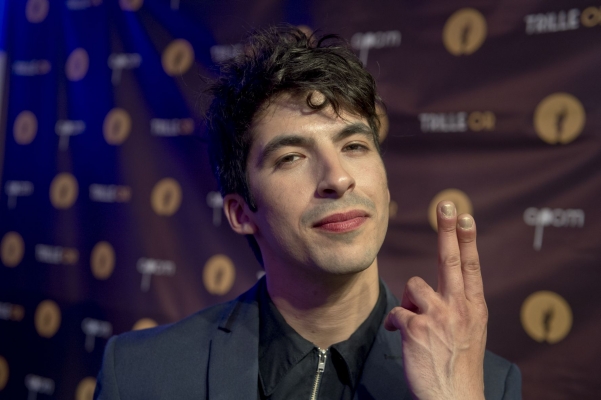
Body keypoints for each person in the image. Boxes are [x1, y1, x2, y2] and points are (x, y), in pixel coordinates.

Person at [94, 25, 521, 400]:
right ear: (242, 213)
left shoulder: (485, 384)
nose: (337, 178)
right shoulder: (140, 373)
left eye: (354, 146)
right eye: (292, 157)